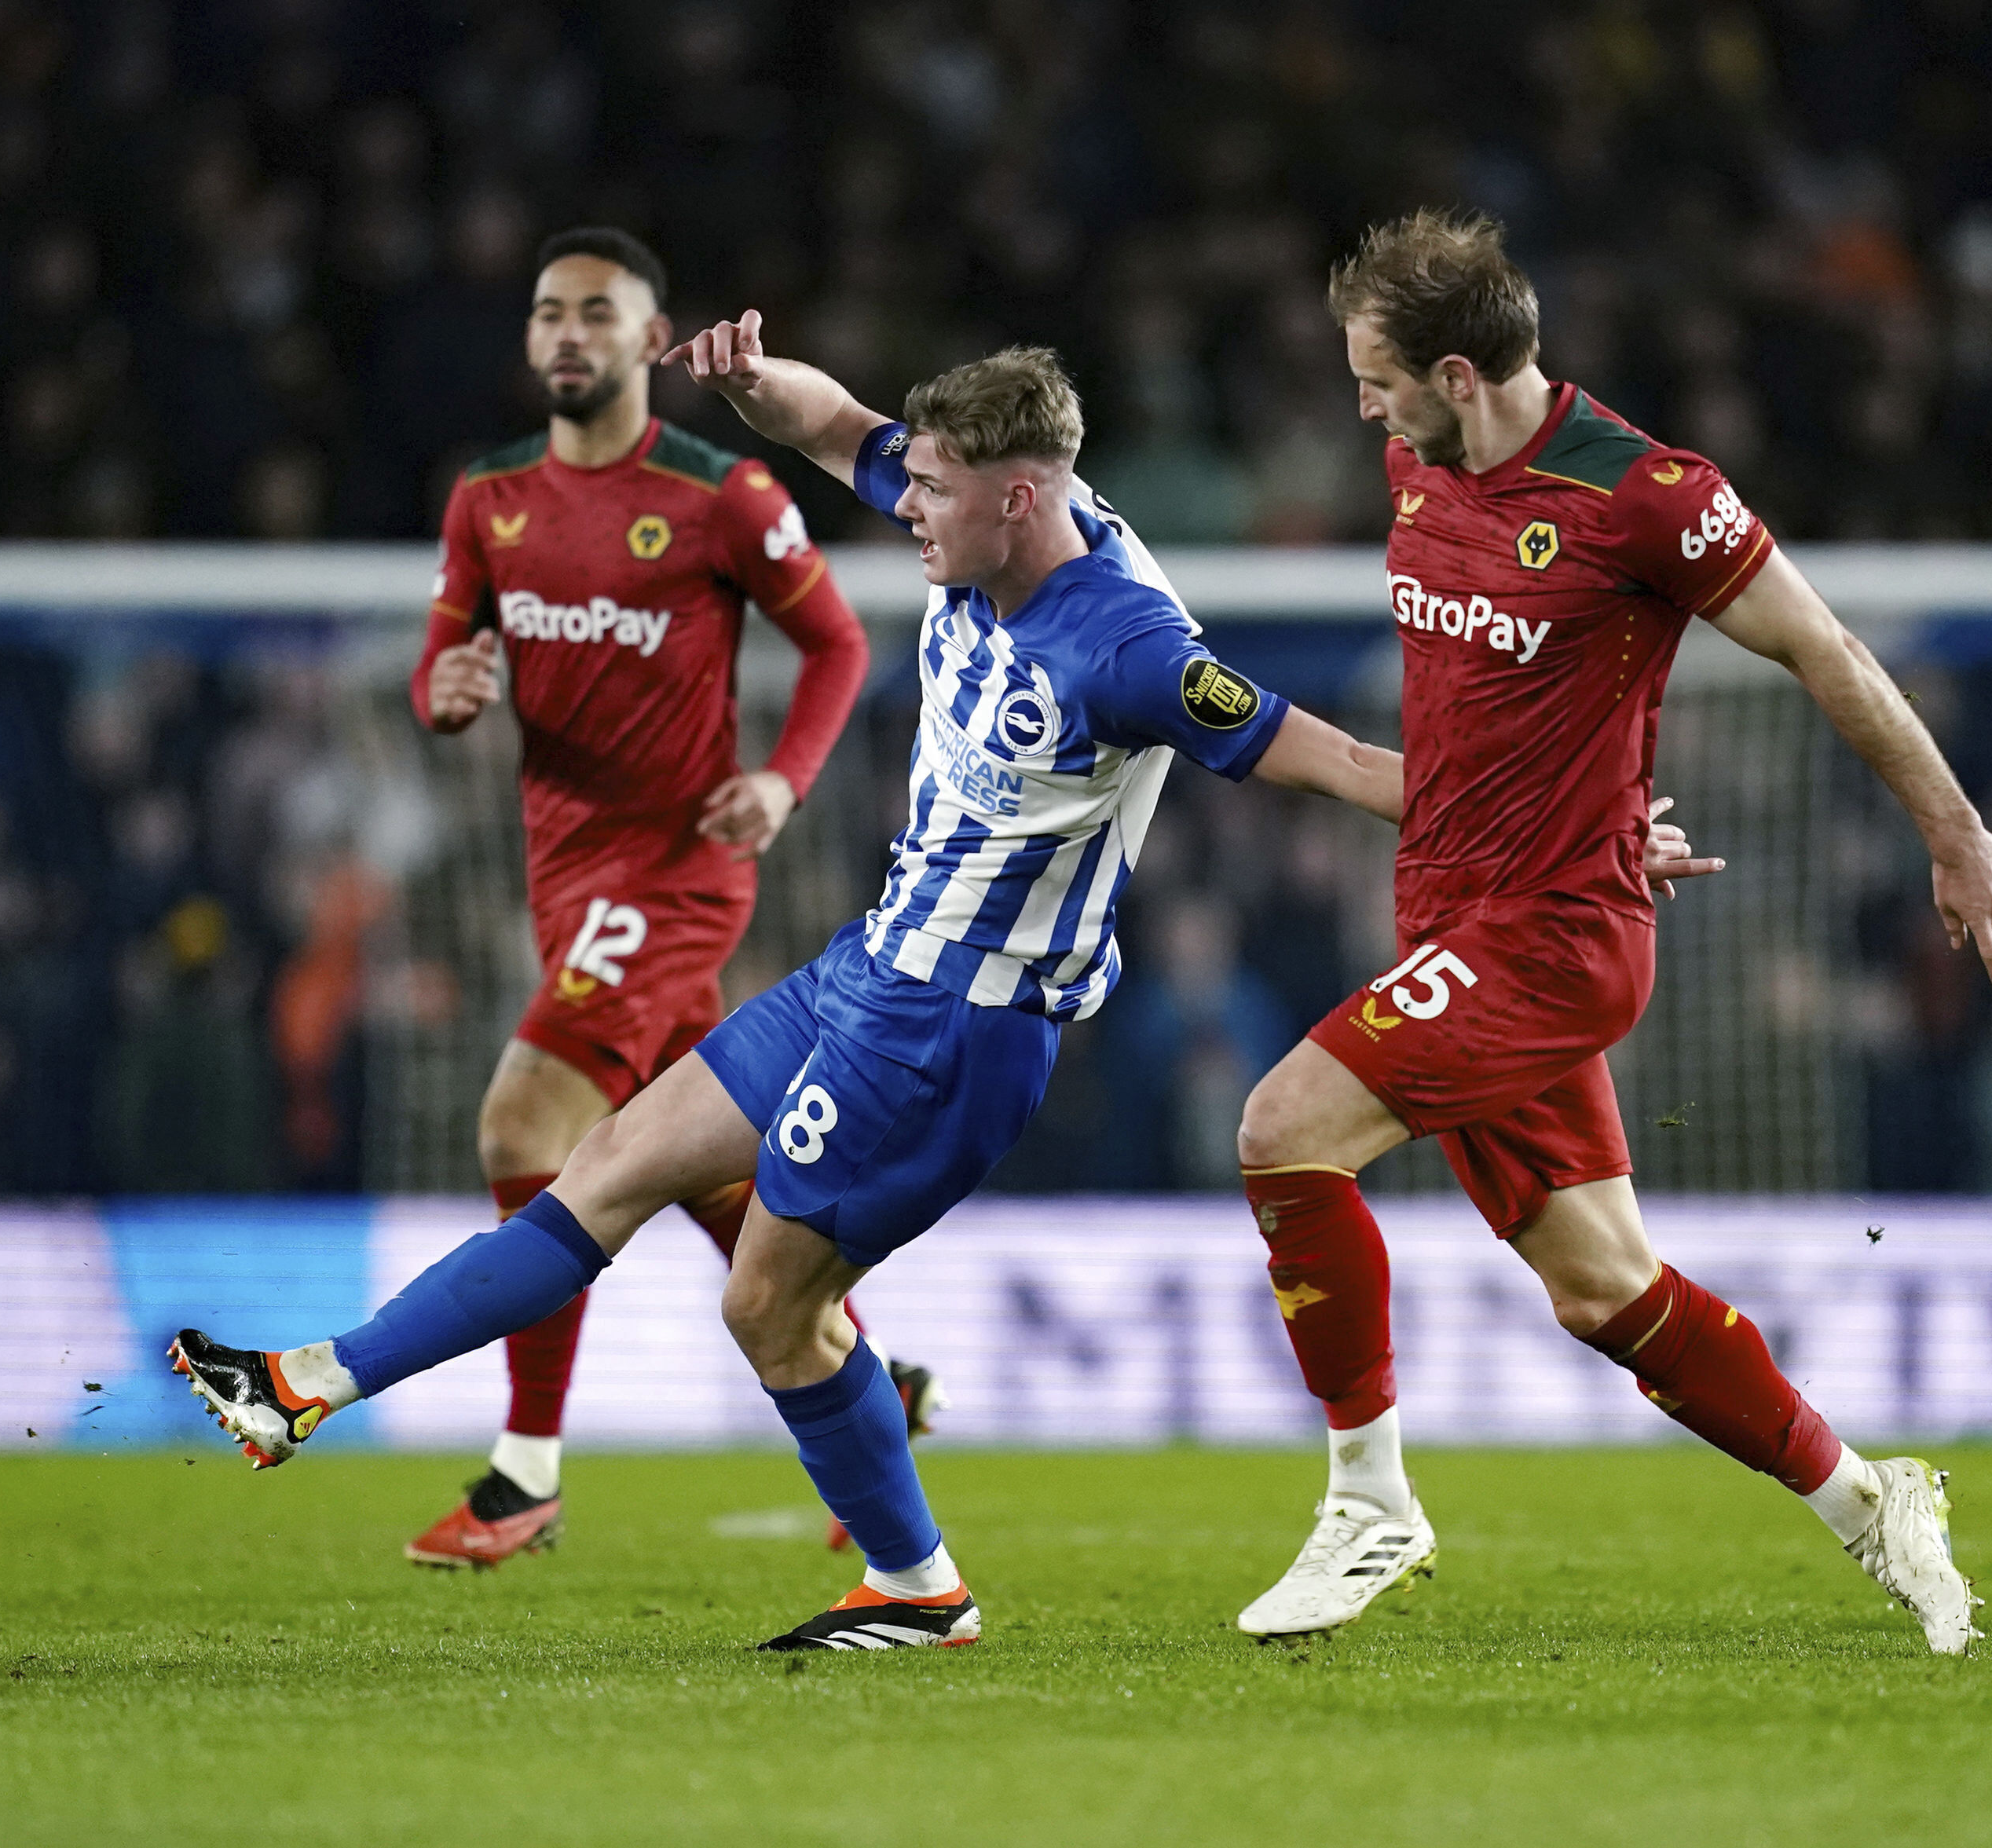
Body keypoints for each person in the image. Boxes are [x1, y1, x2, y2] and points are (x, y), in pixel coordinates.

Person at [168, 320, 1423, 1648]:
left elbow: (1339, 761)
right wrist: (754, 385)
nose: (907, 511)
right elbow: (837, 428)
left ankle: (917, 1585)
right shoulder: (983, 511)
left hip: (958, 1024)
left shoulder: (1131, 650)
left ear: (1020, 496)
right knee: (605, 1161)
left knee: (767, 1302)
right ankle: (307, 1381)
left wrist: (1552, 832)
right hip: (867, 967)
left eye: (933, 494)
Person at [1226, 210, 1992, 1656]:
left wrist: (1953, 831)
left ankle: (1369, 1502)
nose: (1363, 409)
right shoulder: (1419, 466)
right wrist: (1596, 814)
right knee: (1605, 1290)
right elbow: (1496, 720)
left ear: (1458, 373)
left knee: (1282, 1127)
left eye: (1377, 380)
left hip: (1548, 941)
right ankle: (1872, 1500)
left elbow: (1824, 650)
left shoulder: (1648, 494)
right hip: (1461, 913)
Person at [390, 228, 890, 1568]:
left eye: (597, 314)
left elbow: (838, 642)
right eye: (549, 313)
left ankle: (524, 1472)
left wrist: (782, 784)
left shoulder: (721, 493)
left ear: (649, 336)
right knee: (700, 1164)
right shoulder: (485, 501)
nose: (568, 334)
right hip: (563, 870)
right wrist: (443, 695)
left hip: (680, 870)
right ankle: (873, 1391)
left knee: (527, 1111)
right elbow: (445, 656)